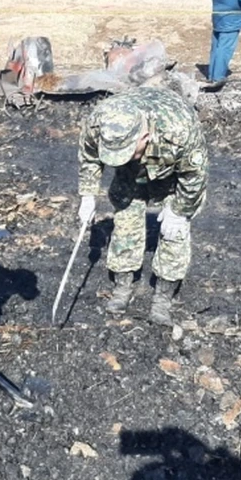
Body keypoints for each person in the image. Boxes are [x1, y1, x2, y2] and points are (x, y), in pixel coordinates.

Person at [77, 87, 208, 328]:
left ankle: (162, 298)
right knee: (125, 223)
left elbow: (194, 176)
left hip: (172, 175)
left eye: (127, 152)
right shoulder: (100, 123)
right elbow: (90, 157)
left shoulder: (179, 130)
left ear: (144, 137)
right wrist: (88, 194)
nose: (121, 158)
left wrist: (179, 211)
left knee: (174, 234)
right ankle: (123, 285)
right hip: (130, 176)